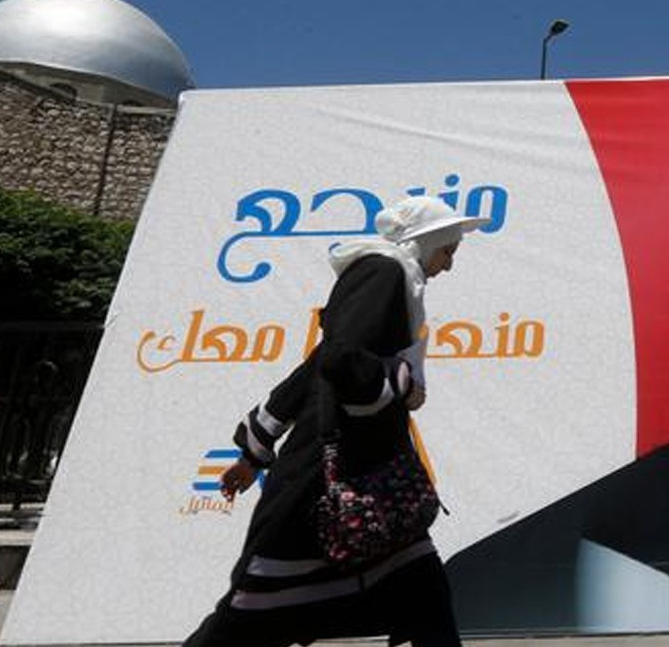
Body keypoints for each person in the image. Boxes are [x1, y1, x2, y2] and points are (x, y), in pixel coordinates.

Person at [184, 195, 487, 647]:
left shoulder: (389, 275)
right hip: (334, 474)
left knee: (425, 592)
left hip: (369, 473)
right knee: (246, 619)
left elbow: (321, 360)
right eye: (447, 251)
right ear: (424, 244)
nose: (448, 265)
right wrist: (400, 383)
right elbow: (340, 359)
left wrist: (255, 448)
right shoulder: (385, 273)